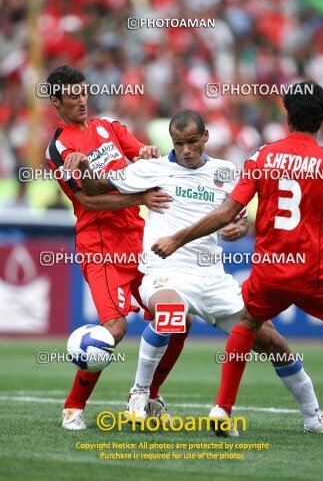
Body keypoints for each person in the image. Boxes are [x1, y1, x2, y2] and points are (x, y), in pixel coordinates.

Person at [65, 108, 323, 434]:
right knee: (169, 313)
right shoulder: (150, 169)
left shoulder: (225, 171)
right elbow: (94, 190)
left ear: (205, 137)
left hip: (212, 278)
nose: (186, 150)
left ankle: (313, 419)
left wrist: (241, 226)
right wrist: (85, 166)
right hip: (164, 271)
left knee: (273, 342)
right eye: (178, 143)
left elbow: (242, 215)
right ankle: (139, 394)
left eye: (192, 141)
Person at [150, 85, 323, 434]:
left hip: (269, 273)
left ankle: (222, 409)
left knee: (249, 323)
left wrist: (178, 237)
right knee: (260, 330)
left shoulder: (262, 157)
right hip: (319, 274)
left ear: (287, 115)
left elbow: (227, 213)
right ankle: (312, 418)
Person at [45, 65, 189, 430]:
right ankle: (73, 406)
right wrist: (140, 196)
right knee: (114, 328)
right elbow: (89, 202)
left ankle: (148, 394)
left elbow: (141, 152)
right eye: (73, 94)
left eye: (83, 91)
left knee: (178, 317)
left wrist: (147, 153)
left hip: (138, 237)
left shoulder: (108, 127)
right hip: (101, 244)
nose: (81, 99)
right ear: (55, 101)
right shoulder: (59, 148)